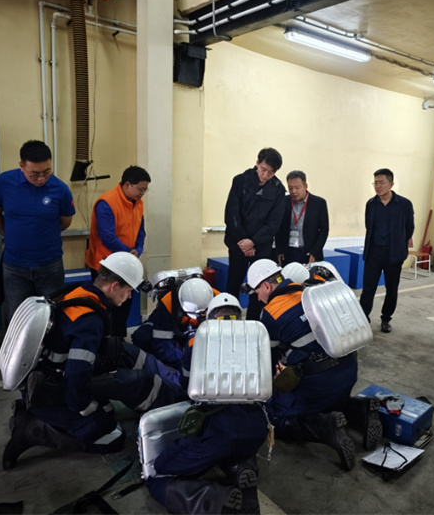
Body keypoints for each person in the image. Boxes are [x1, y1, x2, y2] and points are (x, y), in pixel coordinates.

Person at [2, 252, 185, 470]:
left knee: (125, 353)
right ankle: (34, 428)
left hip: (50, 377)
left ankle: (176, 392)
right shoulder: (89, 320)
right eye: (128, 291)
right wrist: (90, 408)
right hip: (55, 394)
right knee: (112, 437)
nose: (129, 297)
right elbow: (76, 377)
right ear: (114, 286)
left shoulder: (80, 293)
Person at [245, 259, 382, 471]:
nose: (257, 297)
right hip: (348, 371)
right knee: (331, 401)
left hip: (318, 384)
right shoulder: (311, 291)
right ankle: (361, 410)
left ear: (266, 286)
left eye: (256, 292)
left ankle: (327, 428)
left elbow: (267, 364)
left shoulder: (271, 313)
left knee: (275, 416)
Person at [146, 293, 268, 514]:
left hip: (219, 431)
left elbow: (186, 384)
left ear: (210, 317)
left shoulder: (197, 342)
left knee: (159, 472)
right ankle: (241, 466)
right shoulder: (257, 339)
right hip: (257, 429)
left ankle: (213, 499)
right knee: (236, 445)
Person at [0, 140, 75, 323]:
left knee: (51, 315)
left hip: (50, 265)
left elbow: (65, 221)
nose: (41, 179)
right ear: (22, 166)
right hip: (14, 267)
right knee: (17, 317)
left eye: (47, 172)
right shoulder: (4, 182)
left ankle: (50, 343)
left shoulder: (61, 189)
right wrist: (9, 235)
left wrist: (42, 232)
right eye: (34, 174)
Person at [85, 165, 150, 336]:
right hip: (105, 266)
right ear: (127, 184)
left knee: (124, 304)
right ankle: (103, 341)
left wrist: (138, 249)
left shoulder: (138, 203)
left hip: (127, 264)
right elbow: (107, 236)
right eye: (141, 189)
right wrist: (128, 253)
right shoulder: (106, 203)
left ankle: (118, 341)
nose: (143, 193)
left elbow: (141, 231)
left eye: (145, 190)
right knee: (104, 308)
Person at [224, 148, 286, 321]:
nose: (265, 175)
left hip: (261, 246)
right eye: (263, 169)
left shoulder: (278, 189)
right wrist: (243, 241)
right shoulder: (240, 181)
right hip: (238, 244)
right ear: (257, 163)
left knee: (259, 285)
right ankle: (230, 319)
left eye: (271, 173)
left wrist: (253, 242)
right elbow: (232, 214)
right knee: (234, 282)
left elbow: (274, 222)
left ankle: (253, 321)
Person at [359, 168, 415, 334]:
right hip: (374, 253)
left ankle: (386, 319)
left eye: (381, 182)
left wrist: (399, 244)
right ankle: (363, 318)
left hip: (394, 254)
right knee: (368, 288)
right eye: (375, 183)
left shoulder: (404, 204)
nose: (378, 186)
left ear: (391, 184)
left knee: (391, 289)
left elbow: (409, 228)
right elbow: (369, 226)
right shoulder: (371, 204)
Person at [132, 278, 215, 372]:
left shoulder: (218, 299)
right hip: (171, 327)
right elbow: (161, 345)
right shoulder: (168, 302)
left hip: (195, 331)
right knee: (142, 337)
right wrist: (186, 364)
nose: (196, 316)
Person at [276, 170, 329, 266]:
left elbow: (324, 230)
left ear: (305, 186)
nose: (294, 191)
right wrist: (279, 250)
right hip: (288, 253)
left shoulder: (319, 203)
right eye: (290, 188)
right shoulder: (284, 202)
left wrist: (315, 251)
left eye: (297, 187)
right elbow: (279, 228)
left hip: (309, 253)